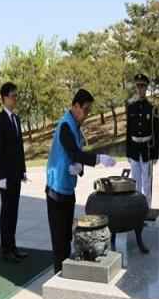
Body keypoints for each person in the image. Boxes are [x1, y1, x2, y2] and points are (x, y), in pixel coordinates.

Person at [46, 88, 116, 274]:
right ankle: (58, 276)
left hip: (67, 188)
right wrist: (98, 159)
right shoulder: (65, 125)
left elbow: (75, 157)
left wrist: (80, 167)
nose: (86, 114)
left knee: (67, 235)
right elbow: (75, 153)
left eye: (88, 111)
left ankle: (65, 271)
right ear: (75, 106)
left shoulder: (75, 127)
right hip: (56, 190)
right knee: (59, 239)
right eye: (85, 110)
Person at [0, 82, 27, 264]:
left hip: (16, 174)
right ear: (5, 97)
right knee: (6, 212)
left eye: (16, 95)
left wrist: (23, 170)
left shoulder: (17, 119)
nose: (16, 99)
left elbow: (19, 148)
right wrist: (2, 176)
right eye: (13, 95)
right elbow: (0, 151)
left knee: (14, 211)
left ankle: (12, 246)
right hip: (6, 176)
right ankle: (5, 249)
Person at [126, 74, 159, 215]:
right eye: (138, 86)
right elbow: (128, 132)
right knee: (136, 183)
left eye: (142, 86)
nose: (140, 89)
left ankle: (147, 210)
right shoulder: (131, 108)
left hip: (147, 150)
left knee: (147, 183)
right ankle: (137, 210)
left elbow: (156, 133)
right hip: (134, 150)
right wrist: (128, 152)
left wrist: (155, 154)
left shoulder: (152, 109)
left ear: (146, 88)